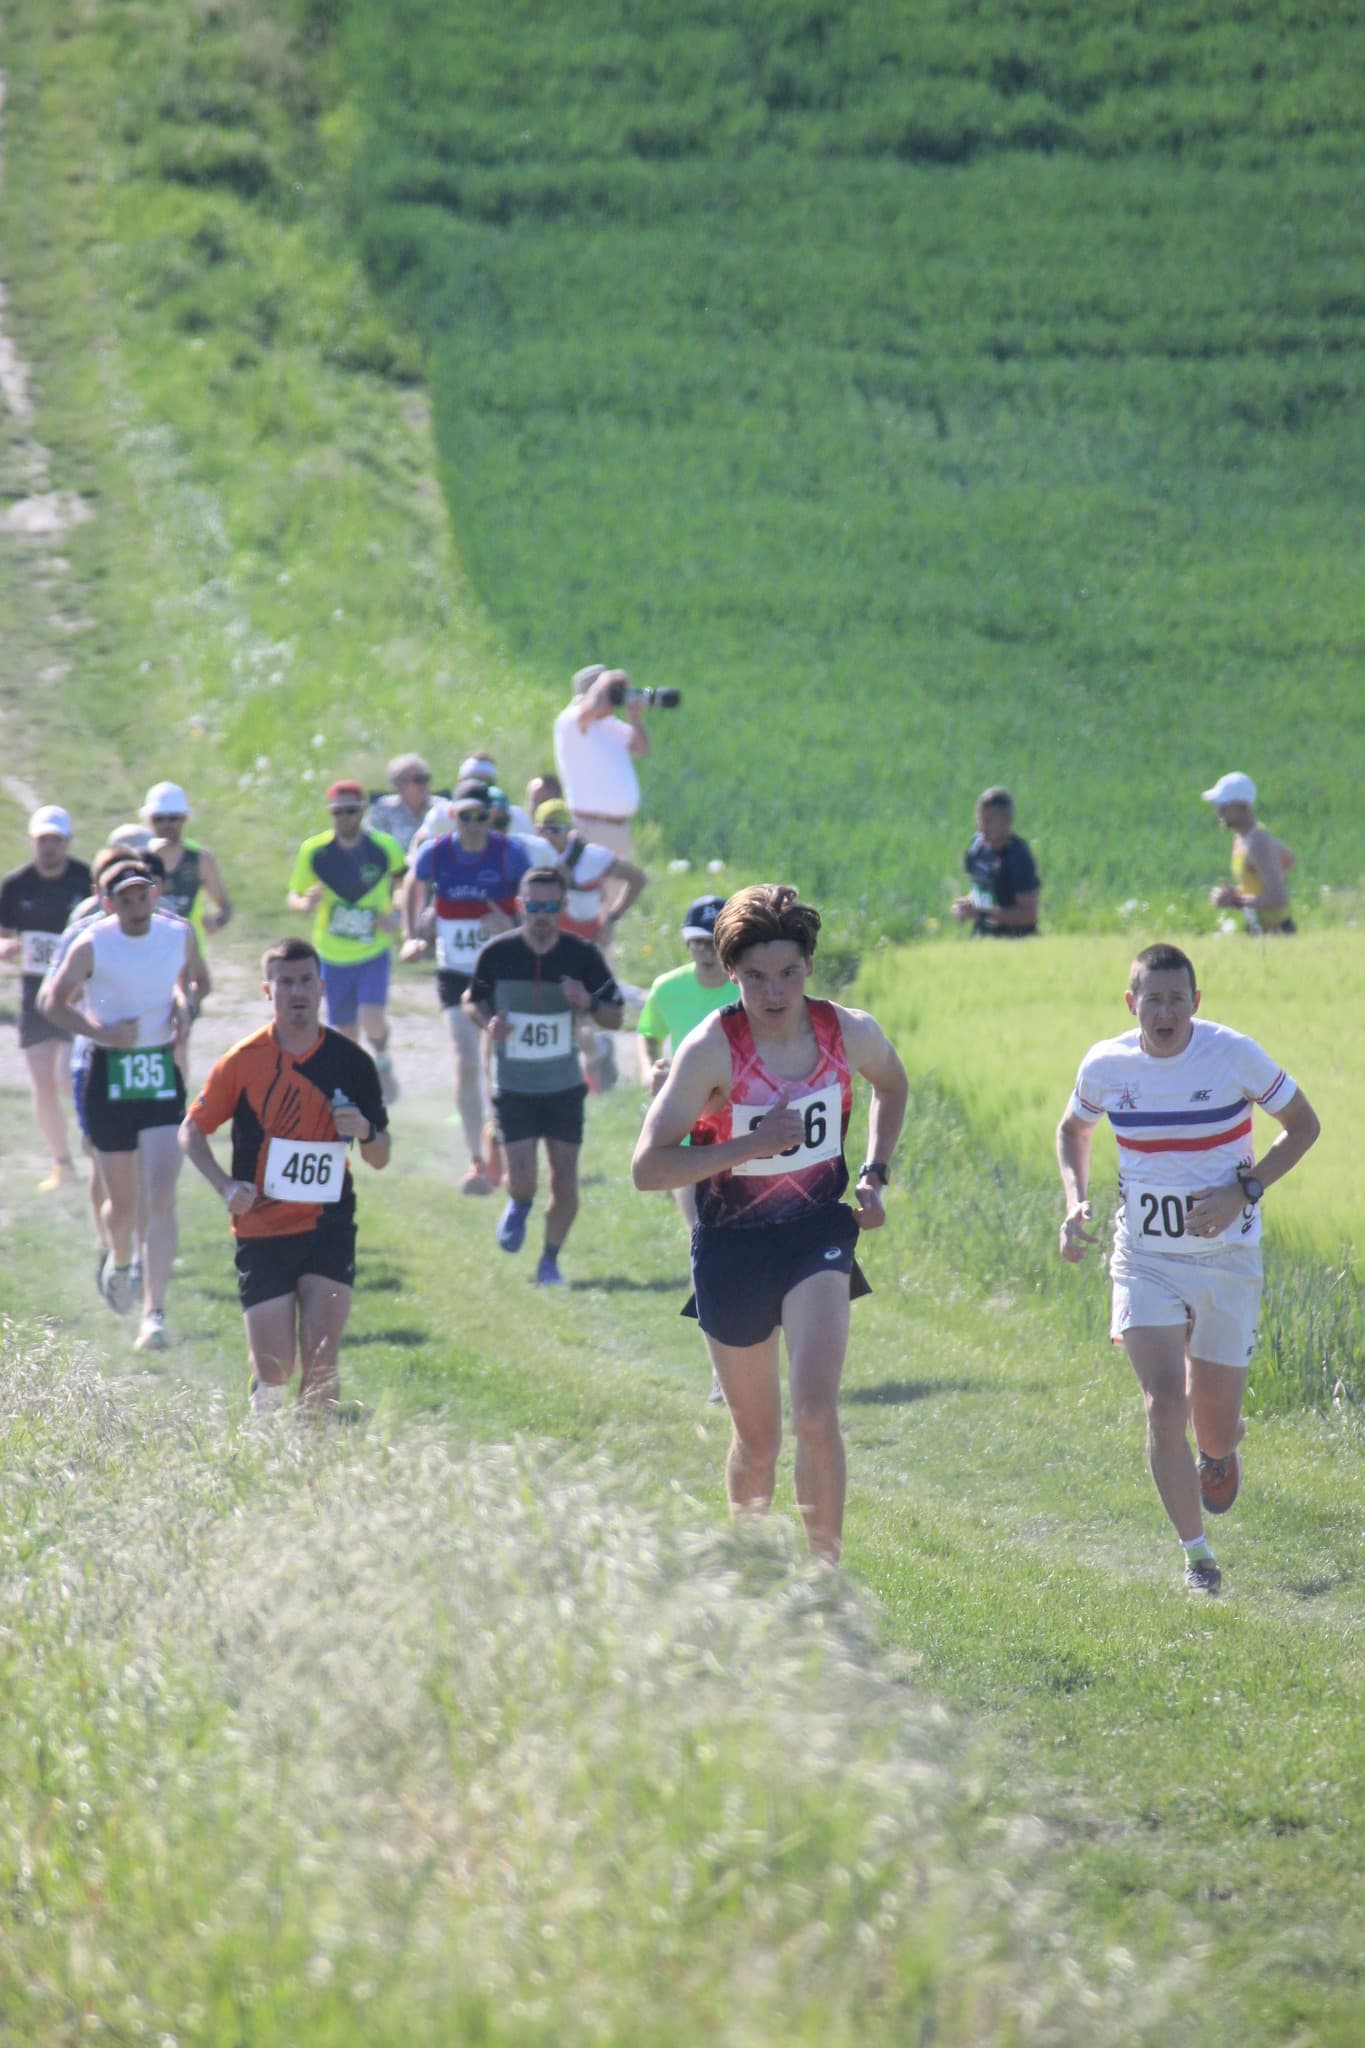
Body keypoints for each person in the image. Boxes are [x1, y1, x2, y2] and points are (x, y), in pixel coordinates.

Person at [632, 884, 909, 1562]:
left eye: (788, 973)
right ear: (732, 975)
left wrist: (873, 1173)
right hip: (730, 1248)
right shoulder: (710, 1050)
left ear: (808, 967)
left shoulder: (845, 1030)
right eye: (755, 977)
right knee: (757, 1444)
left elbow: (892, 1085)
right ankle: (749, 1568)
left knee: (814, 1414)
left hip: (817, 1233)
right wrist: (745, 1148)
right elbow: (648, 1167)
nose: (774, 991)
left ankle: (824, 1579)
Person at [1055, 942, 1320, 1594]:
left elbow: (1303, 1125)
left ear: (1195, 1003)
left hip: (1227, 1261)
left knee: (1213, 1424)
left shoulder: (1232, 1054)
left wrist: (1243, 1192)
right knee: (1161, 1403)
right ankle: (1197, 1558)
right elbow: (1072, 1130)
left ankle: (1220, 1449)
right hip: (1144, 1260)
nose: (1165, 1010)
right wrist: (1074, 1201)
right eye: (1153, 998)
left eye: (1177, 998)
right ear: (1131, 1004)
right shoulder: (1106, 1064)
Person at [180, 937, 390, 1419]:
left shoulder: (353, 1062)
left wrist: (365, 1130)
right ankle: (263, 1421)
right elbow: (191, 1131)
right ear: (267, 990)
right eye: (285, 982)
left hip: (328, 1225)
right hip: (262, 1228)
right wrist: (225, 1186)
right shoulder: (243, 1061)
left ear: (321, 986)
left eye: (305, 981)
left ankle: (312, 1478)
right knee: (276, 1367)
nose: (297, 991)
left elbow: (380, 1156)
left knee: (321, 1358)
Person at [40, 858, 210, 1352]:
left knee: (161, 1195)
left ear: (154, 895)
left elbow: (200, 982)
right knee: (123, 1206)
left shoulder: (178, 935)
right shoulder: (92, 944)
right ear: (110, 903)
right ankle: (119, 1260)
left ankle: (153, 1314)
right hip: (109, 1076)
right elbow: (52, 1003)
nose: (137, 907)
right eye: (126, 899)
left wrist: (184, 1005)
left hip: (159, 1074)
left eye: (144, 895)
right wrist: (100, 1032)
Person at [464, 867, 623, 1285]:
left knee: (566, 1183)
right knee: (523, 1180)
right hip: (513, 1086)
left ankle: (550, 1260)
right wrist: (487, 1025)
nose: (541, 914)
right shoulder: (497, 954)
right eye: (534, 906)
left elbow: (616, 1016)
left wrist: (586, 1001)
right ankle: (518, 1204)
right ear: (520, 906)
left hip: (564, 1087)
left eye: (551, 906)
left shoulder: (582, 955)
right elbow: (471, 1001)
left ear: (563, 908)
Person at [401, 777, 530, 1193]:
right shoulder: (436, 854)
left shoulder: (510, 854)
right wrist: (414, 932)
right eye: (465, 816)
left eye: (481, 817)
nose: (473, 825)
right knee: (466, 1058)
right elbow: (411, 886)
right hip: (455, 971)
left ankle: (500, 1151)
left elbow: (539, 909)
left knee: (497, 1063)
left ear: (491, 818)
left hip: (499, 970)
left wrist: (511, 925)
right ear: (452, 816)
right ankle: (476, 1159)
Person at [287, 781, 405, 1101]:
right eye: (338, 812)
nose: (345, 818)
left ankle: (382, 1061)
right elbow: (294, 895)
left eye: (351, 811)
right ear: (330, 814)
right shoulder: (316, 851)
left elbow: (404, 883)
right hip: (332, 953)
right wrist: (304, 904)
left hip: (373, 950)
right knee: (346, 1032)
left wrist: (395, 915)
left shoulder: (384, 848)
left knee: (372, 1018)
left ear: (363, 811)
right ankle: (358, 1086)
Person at [0, 805, 92, 1190]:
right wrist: (7, 947)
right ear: (32, 841)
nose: (49, 847)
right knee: (42, 1080)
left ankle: (92, 1145)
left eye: (55, 840)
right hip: (34, 992)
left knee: (65, 1078)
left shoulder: (84, 879)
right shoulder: (16, 885)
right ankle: (62, 1163)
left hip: (76, 992)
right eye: (43, 840)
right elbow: (3, 933)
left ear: (67, 842)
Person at [637, 894, 734, 1222]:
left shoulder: (751, 988)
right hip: (688, 1128)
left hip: (743, 1124)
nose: (706, 951)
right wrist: (650, 1069)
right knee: (700, 1233)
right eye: (697, 942)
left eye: (714, 942)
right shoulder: (667, 989)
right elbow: (648, 1034)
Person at [553, 664, 650, 858]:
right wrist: (606, 681)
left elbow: (642, 748)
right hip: (590, 826)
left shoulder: (611, 726)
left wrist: (634, 718)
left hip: (619, 827)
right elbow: (591, 707)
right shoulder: (571, 721)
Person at [1202, 772, 1296, 935]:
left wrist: (1237, 901)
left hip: (1277, 933)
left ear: (1244, 807)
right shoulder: (1241, 839)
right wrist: (1234, 893)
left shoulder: (1258, 842)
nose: (1218, 812)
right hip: (1259, 931)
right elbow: (1287, 860)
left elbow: (1279, 897)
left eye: (1224, 806)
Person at [141, 781, 233, 940]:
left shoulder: (200, 859)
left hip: (189, 951)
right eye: (159, 818)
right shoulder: (139, 857)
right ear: (149, 820)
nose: (166, 824)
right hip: (148, 947)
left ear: (184, 819)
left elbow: (225, 906)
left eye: (173, 818)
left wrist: (217, 922)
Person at [951, 786, 1040, 937]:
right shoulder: (978, 847)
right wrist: (966, 905)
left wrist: (983, 914)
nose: (982, 828)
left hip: (1016, 940)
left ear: (1007, 821)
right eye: (980, 820)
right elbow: (982, 888)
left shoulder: (1018, 857)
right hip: (982, 936)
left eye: (989, 821)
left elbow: (1029, 914)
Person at [364, 753, 435, 855]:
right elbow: (371, 844)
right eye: (418, 780)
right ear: (398, 784)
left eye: (425, 779)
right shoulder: (382, 809)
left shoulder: (441, 808)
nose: (423, 785)